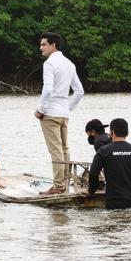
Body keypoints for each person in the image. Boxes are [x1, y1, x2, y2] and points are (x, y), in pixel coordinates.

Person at [34, 32, 84, 195]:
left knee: (55, 150)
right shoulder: (69, 64)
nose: (41, 48)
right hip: (63, 113)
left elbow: (47, 89)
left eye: (43, 44)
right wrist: (68, 107)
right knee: (64, 148)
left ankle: (58, 186)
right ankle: (65, 183)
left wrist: (41, 110)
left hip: (50, 113)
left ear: (53, 45)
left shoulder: (50, 64)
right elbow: (79, 91)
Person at [87, 118, 131, 209]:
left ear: (112, 133)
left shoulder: (103, 152)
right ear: (127, 133)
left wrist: (91, 191)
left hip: (115, 203)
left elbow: (93, 174)